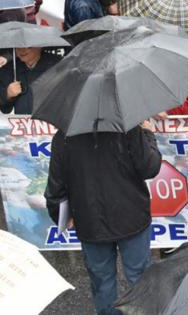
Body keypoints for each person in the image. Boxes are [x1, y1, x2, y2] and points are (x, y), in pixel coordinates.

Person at [45, 120, 161, 315]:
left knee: (102, 282)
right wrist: (148, 134)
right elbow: (150, 168)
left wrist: (60, 216)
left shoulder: (64, 136)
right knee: (138, 276)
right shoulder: (129, 126)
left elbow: (55, 185)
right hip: (131, 217)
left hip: (90, 221)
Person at [0, 46, 60, 114]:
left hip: (54, 121)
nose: (22, 50)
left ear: (39, 47)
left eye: (28, 47)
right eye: (18, 47)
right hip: (24, 123)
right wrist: (7, 94)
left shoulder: (59, 65)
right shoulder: (9, 69)